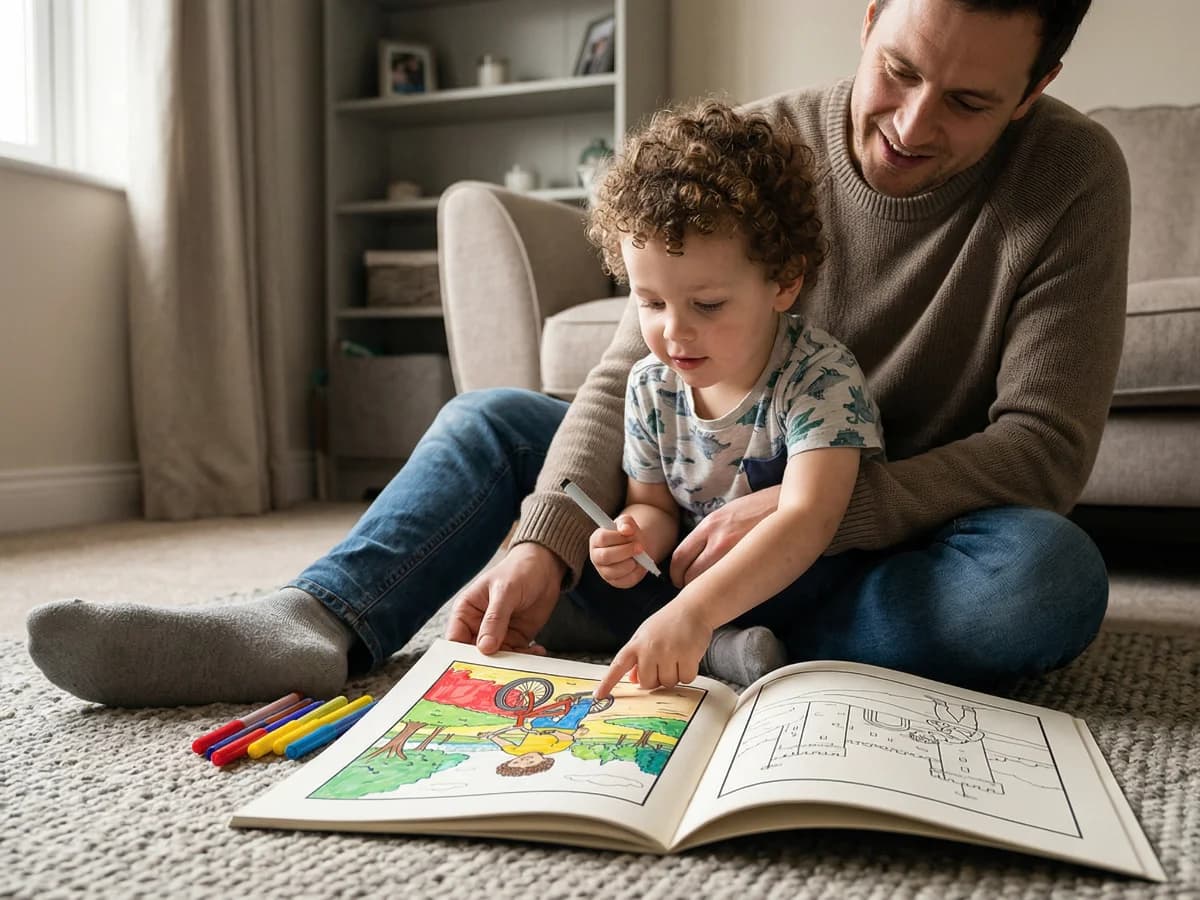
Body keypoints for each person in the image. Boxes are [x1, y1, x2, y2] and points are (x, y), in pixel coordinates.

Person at [26, 0, 1127, 709]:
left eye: (972, 100)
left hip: (881, 532)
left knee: (1045, 580)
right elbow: (625, 375)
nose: (912, 123)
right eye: (899, 70)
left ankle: (733, 638)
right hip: (685, 532)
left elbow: (1043, 447)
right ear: (872, 13)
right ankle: (315, 621)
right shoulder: (762, 144)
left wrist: (823, 509)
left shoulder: (1072, 177)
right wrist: (553, 536)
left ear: (1035, 87)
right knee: (492, 421)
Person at [580, 100, 883, 692]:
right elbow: (655, 506)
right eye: (652, 303)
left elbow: (808, 518)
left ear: (783, 281)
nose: (675, 331)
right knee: (595, 576)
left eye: (708, 305)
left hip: (805, 576)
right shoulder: (649, 385)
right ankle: (721, 648)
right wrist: (633, 536)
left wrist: (692, 612)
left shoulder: (819, 375)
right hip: (692, 579)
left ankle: (706, 635)